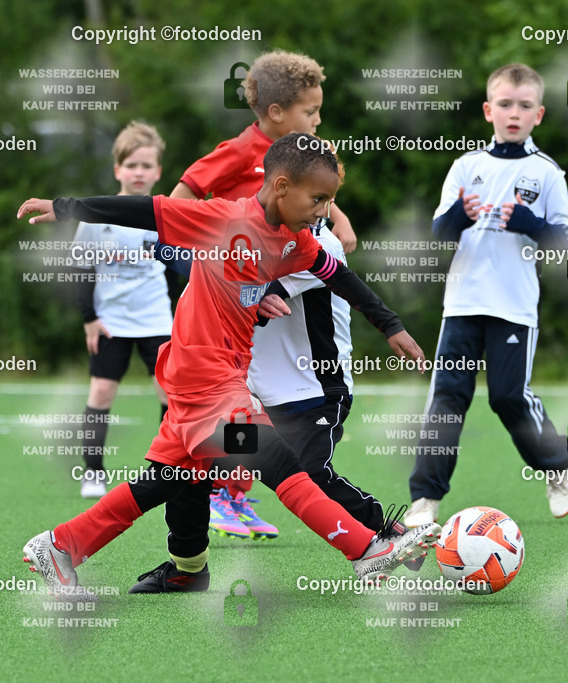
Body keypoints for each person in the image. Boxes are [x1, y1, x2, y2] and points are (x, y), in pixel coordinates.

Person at [18, 133, 440, 598]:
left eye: (330, 200)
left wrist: (391, 325)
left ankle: (59, 546)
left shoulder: (293, 240)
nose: (325, 210)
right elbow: (146, 210)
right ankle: (366, 552)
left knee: (165, 481)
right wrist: (67, 207)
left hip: (205, 381)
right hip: (205, 380)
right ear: (281, 187)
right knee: (277, 459)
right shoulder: (224, 220)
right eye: (318, 199)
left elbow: (340, 276)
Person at [169, 49, 358, 539]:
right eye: (310, 112)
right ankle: (215, 497)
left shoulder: (302, 161)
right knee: (226, 398)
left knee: (250, 401)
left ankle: (230, 497)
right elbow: (180, 198)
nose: (319, 120)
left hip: (263, 286)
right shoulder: (237, 151)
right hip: (226, 287)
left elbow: (314, 203)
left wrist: (338, 221)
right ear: (277, 113)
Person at [404, 63, 568, 528]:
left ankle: (558, 465)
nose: (514, 113)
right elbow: (441, 232)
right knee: (447, 398)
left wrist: (531, 224)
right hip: (463, 304)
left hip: (513, 307)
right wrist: (459, 216)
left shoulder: (547, 173)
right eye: (505, 104)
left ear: (539, 114)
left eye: (525, 105)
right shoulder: (467, 167)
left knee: (508, 397)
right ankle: (425, 500)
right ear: (488, 110)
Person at [70, 121, 174, 498]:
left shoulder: (167, 214)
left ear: (158, 171)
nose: (139, 172)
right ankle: (93, 473)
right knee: (101, 393)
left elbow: (182, 270)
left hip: (157, 320)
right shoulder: (96, 216)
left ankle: (169, 468)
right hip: (110, 322)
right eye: (132, 165)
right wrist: (90, 320)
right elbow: (82, 270)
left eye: (147, 166)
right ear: (117, 170)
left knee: (170, 393)